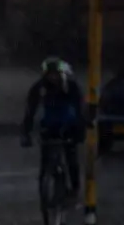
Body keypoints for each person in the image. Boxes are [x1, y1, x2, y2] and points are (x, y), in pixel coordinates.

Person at [21, 57, 84, 203]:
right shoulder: (39, 88)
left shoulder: (71, 87)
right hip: (49, 126)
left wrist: (80, 130)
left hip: (69, 126)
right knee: (46, 159)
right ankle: (45, 188)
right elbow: (30, 110)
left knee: (71, 157)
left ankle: (74, 189)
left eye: (56, 74)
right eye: (50, 74)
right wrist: (26, 132)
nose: (53, 78)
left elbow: (80, 110)